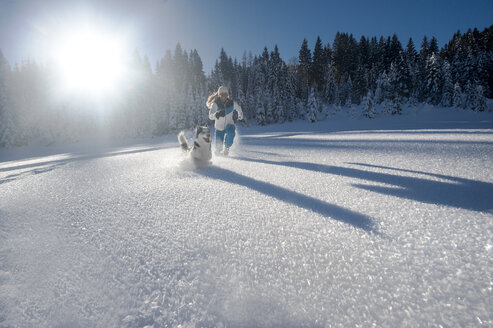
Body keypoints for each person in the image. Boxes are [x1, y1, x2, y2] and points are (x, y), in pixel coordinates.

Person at [206, 86, 243, 156]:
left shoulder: (232, 103)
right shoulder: (215, 104)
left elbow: (238, 108)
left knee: (231, 133)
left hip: (229, 124)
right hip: (219, 127)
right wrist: (216, 114)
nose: (224, 96)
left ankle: (227, 148)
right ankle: (220, 159)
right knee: (218, 150)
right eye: (222, 94)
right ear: (219, 95)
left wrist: (240, 115)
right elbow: (210, 116)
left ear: (227, 94)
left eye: (225, 94)